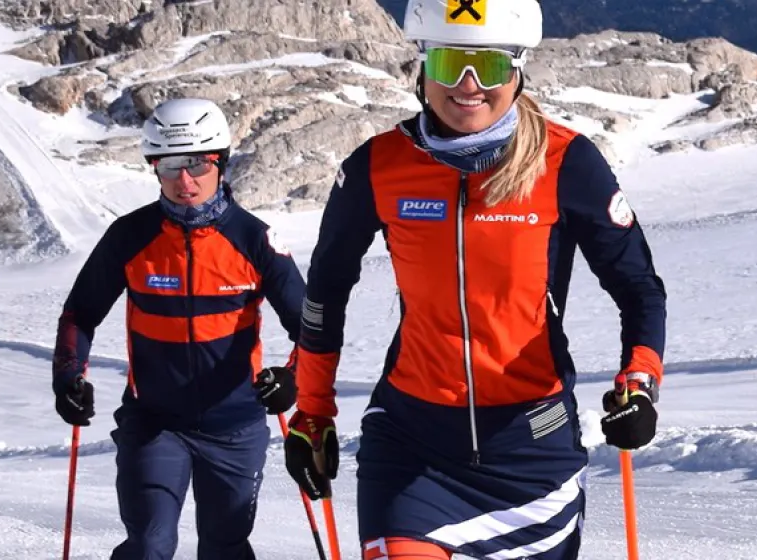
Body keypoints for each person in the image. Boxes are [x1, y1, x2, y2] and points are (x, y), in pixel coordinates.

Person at [281, 0, 667, 558]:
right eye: (447, 64)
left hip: (531, 447)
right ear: (421, 67)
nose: (466, 86)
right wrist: (312, 410)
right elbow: (326, 291)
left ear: (516, 70)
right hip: (412, 441)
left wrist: (641, 381)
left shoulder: (566, 162)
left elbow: (639, 288)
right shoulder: (378, 166)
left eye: (485, 67)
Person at [53, 97, 306, 559]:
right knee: (149, 546)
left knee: (224, 546)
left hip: (235, 429)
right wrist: (68, 377)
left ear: (221, 162)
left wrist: (292, 380)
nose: (184, 180)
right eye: (169, 165)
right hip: (154, 425)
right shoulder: (130, 237)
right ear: (154, 166)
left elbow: (312, 330)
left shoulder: (255, 240)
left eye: (197, 164)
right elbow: (80, 314)